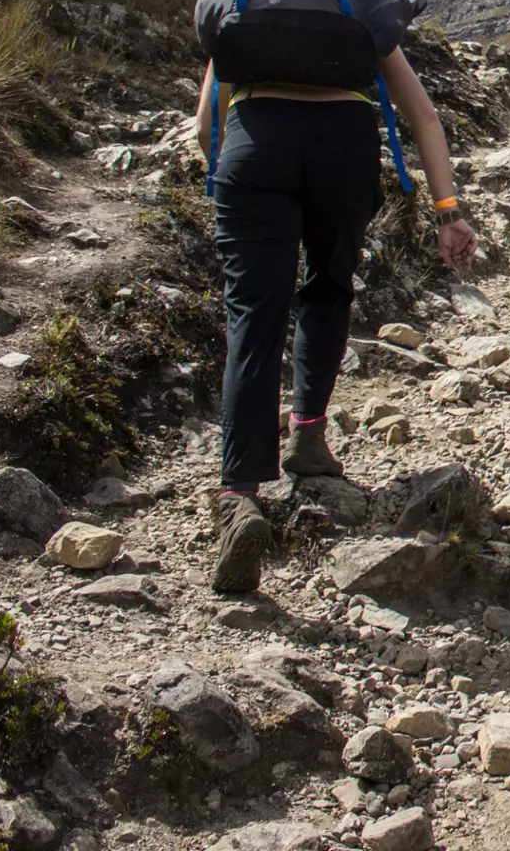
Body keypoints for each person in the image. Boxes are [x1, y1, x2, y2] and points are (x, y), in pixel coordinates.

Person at [193, 49, 478, 594]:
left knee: (254, 314)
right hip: (344, 144)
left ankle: (239, 495)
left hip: (256, 135)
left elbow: (207, 120)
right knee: (328, 289)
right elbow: (424, 116)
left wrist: (228, 166)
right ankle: (308, 435)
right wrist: (448, 211)